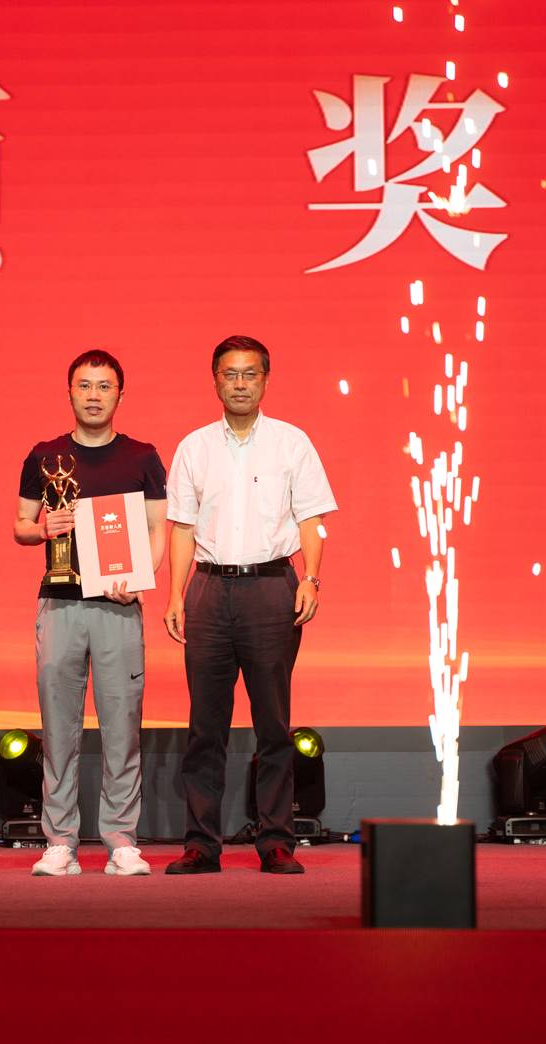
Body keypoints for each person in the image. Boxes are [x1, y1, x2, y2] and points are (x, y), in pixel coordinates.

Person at [162, 335, 336, 875]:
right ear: (215, 380)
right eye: (230, 374)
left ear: (265, 380)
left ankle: (276, 841)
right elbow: (182, 527)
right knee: (204, 726)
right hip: (209, 590)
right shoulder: (194, 447)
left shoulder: (292, 443)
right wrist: (175, 594)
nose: (240, 384)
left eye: (250, 374)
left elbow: (311, 519)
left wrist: (312, 579)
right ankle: (201, 844)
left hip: (271, 587)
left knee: (274, 724)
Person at [14, 350, 167, 877]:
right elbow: (20, 525)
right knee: (58, 729)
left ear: (120, 394)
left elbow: (157, 529)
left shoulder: (143, 456)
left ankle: (121, 840)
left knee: (122, 726)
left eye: (104, 386)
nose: (94, 395)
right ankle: (60, 841)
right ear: (70, 392)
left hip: (118, 609)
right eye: (85, 385)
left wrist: (139, 580)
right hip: (59, 605)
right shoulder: (44, 455)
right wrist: (44, 529)